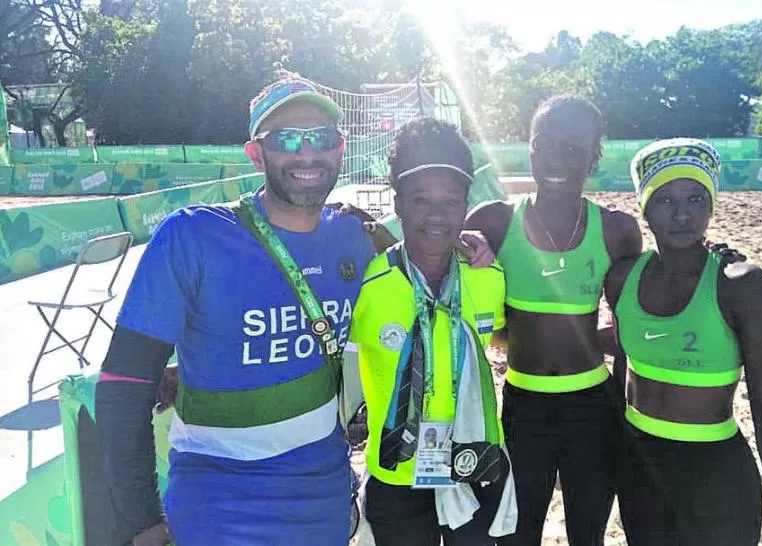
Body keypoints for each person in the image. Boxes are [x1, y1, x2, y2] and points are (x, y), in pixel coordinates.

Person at [95, 71, 491, 546]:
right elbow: (122, 386)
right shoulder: (191, 237)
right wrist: (141, 522)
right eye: (286, 137)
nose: (307, 154)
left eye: (321, 138)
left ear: (339, 149)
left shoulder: (355, 238)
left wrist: (467, 244)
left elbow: (417, 271)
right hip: (218, 504)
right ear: (256, 152)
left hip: (321, 497)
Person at [465, 95, 643, 545]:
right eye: (545, 144)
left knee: (588, 532)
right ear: (529, 146)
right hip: (524, 404)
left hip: (594, 406)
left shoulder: (617, 230)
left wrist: (625, 414)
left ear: (594, 157)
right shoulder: (494, 222)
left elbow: (631, 328)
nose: (557, 158)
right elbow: (431, 250)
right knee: (519, 532)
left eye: (573, 148)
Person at [603, 138, 762, 546]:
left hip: (716, 475)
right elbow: (623, 371)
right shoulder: (623, 278)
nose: (682, 214)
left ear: (711, 205)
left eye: (696, 198)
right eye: (665, 200)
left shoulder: (742, 285)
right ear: (645, 208)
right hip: (640, 470)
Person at [351, 118, 516, 546]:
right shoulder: (368, 284)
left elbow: (500, 339)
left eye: (451, 202)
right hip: (397, 474)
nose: (437, 216)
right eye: (421, 201)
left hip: (472, 465)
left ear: (466, 205)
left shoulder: (488, 275)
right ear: (398, 203)